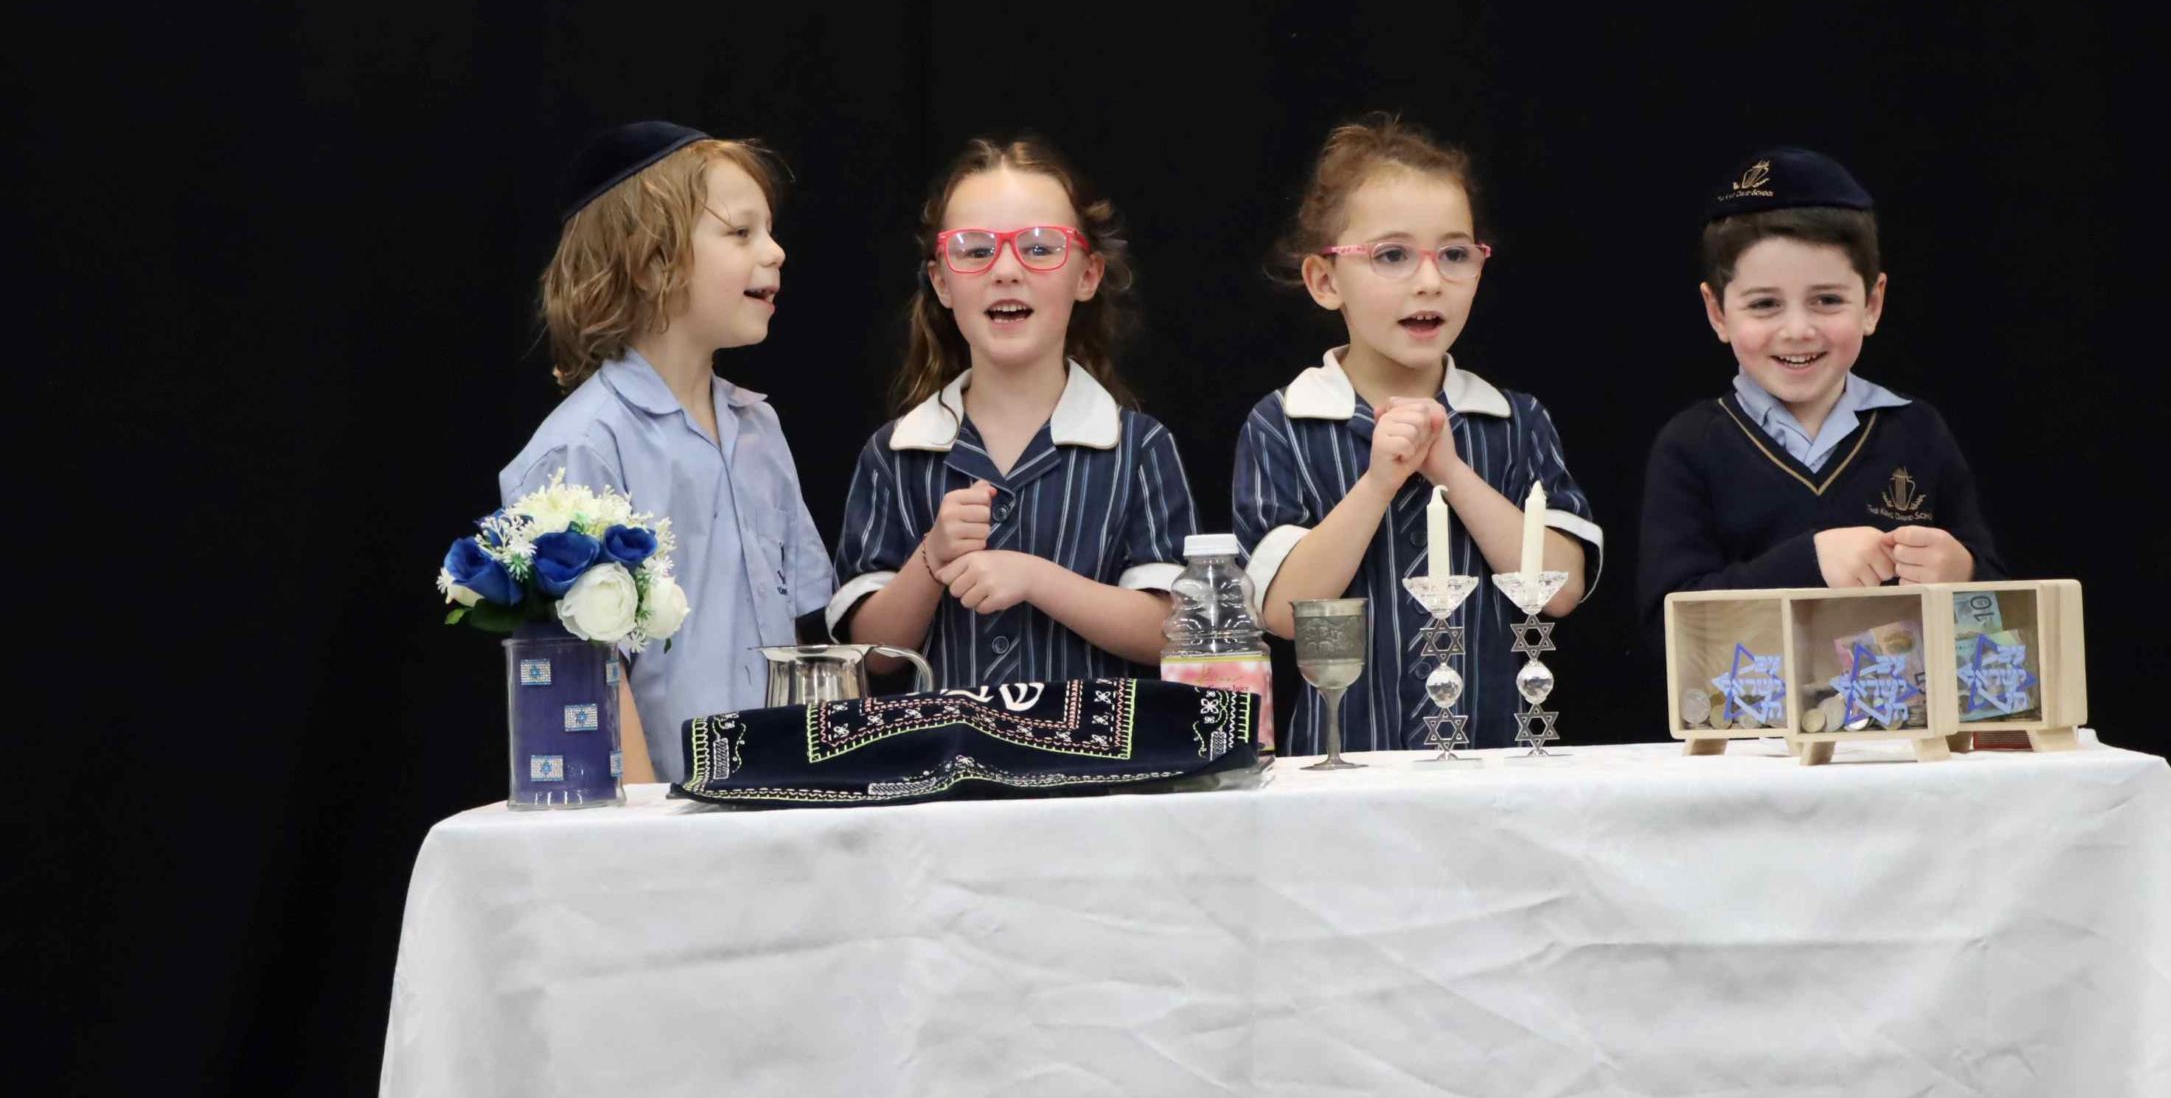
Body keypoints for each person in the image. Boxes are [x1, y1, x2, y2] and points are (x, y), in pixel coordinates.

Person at [1233, 115, 1602, 755]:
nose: (1429, 281)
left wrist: (1452, 472)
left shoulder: (1513, 421)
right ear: (1325, 280)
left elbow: (1563, 589)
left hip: (1494, 762)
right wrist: (1378, 483)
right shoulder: (1285, 422)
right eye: (1392, 256)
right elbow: (1283, 609)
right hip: (1341, 764)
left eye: (1454, 254)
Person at [500, 122, 835, 781]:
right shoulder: (582, 449)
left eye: (768, 231)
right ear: (651, 262)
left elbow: (803, 636)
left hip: (777, 803)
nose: (775, 252)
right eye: (740, 233)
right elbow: (585, 674)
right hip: (665, 823)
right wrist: (649, 824)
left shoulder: (759, 429)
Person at [827, 136, 1196, 685]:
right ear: (941, 281)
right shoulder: (894, 455)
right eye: (975, 250)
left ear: (1088, 275)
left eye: (1040, 247)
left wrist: (1036, 579)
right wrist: (931, 557)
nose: (1005, 270)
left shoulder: (1139, 449)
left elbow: (1176, 634)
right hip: (945, 744)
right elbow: (871, 655)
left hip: (1093, 744)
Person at [1636, 147, 2001, 623]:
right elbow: (1666, 623)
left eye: (1827, 300)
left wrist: (1963, 572)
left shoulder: (1919, 431)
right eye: (1764, 304)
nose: (1797, 330)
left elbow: (1999, 609)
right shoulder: (1691, 446)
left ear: (1872, 304)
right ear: (1717, 312)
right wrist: (1810, 564)